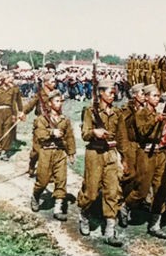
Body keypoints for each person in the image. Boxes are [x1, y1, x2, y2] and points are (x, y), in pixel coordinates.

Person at [119, 84, 166, 239]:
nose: (157, 98)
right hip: (145, 154)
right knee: (142, 189)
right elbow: (141, 132)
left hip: (159, 154)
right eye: (154, 96)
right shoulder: (140, 114)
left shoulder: (159, 113)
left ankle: (155, 224)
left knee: (161, 189)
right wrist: (156, 120)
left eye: (158, 96)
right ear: (146, 97)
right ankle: (126, 206)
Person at [77, 79, 123, 247]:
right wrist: (94, 132)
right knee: (91, 192)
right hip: (95, 154)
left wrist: (124, 158)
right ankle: (84, 213)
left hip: (111, 154)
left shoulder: (117, 113)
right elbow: (85, 134)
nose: (113, 95)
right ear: (101, 93)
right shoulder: (90, 111)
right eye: (110, 92)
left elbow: (122, 137)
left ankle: (110, 231)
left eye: (114, 92)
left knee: (112, 191)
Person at [30, 90, 76, 221]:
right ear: (49, 103)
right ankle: (35, 196)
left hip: (60, 152)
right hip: (46, 152)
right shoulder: (41, 119)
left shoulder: (64, 120)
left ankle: (58, 208)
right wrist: (52, 132)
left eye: (61, 101)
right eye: (57, 101)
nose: (60, 104)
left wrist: (71, 153)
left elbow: (69, 137)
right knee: (42, 181)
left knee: (61, 180)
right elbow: (40, 135)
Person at [115, 82, 145, 220]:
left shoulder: (145, 109)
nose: (144, 96)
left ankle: (132, 202)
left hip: (142, 146)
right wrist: (123, 151)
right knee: (130, 175)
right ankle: (123, 202)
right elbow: (122, 130)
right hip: (130, 145)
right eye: (141, 93)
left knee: (142, 175)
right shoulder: (126, 110)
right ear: (134, 95)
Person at [23, 73, 57, 177]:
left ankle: (49, 173)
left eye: (54, 81)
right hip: (40, 123)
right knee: (37, 150)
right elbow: (30, 104)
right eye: (52, 81)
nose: (54, 83)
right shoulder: (39, 94)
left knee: (51, 149)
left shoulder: (56, 93)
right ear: (46, 83)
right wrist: (23, 112)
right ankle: (32, 165)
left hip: (52, 123)